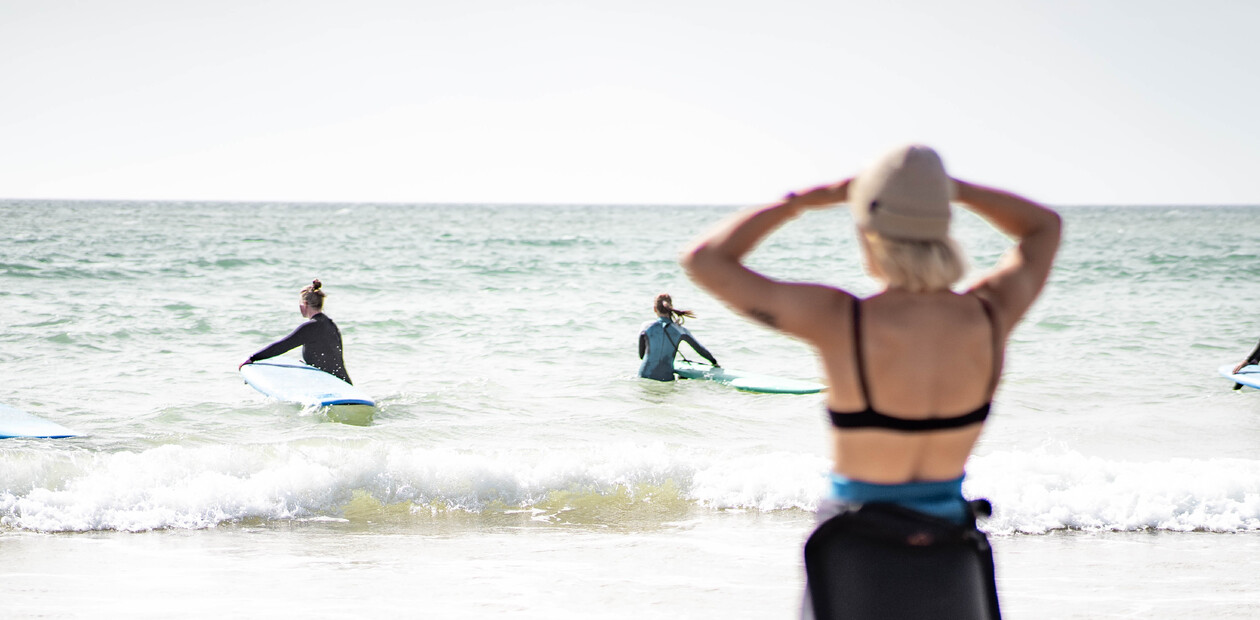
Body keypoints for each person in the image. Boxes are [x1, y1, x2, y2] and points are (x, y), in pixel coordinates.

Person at [682, 144, 1060, 618]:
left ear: (869, 233)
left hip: (854, 551)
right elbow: (1044, 227)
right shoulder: (992, 314)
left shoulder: (842, 321)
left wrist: (801, 201)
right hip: (949, 550)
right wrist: (947, 191)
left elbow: (705, 259)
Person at [240, 279, 353, 384]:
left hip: (330, 385)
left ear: (305, 304)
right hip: (345, 384)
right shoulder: (331, 325)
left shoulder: (311, 327)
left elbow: (282, 346)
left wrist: (252, 358)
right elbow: (330, 357)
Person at [638, 293, 719, 381]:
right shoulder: (680, 330)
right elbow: (700, 349)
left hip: (644, 376)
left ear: (654, 309)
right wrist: (714, 362)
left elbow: (642, 355)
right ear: (671, 307)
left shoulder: (645, 327)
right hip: (666, 378)